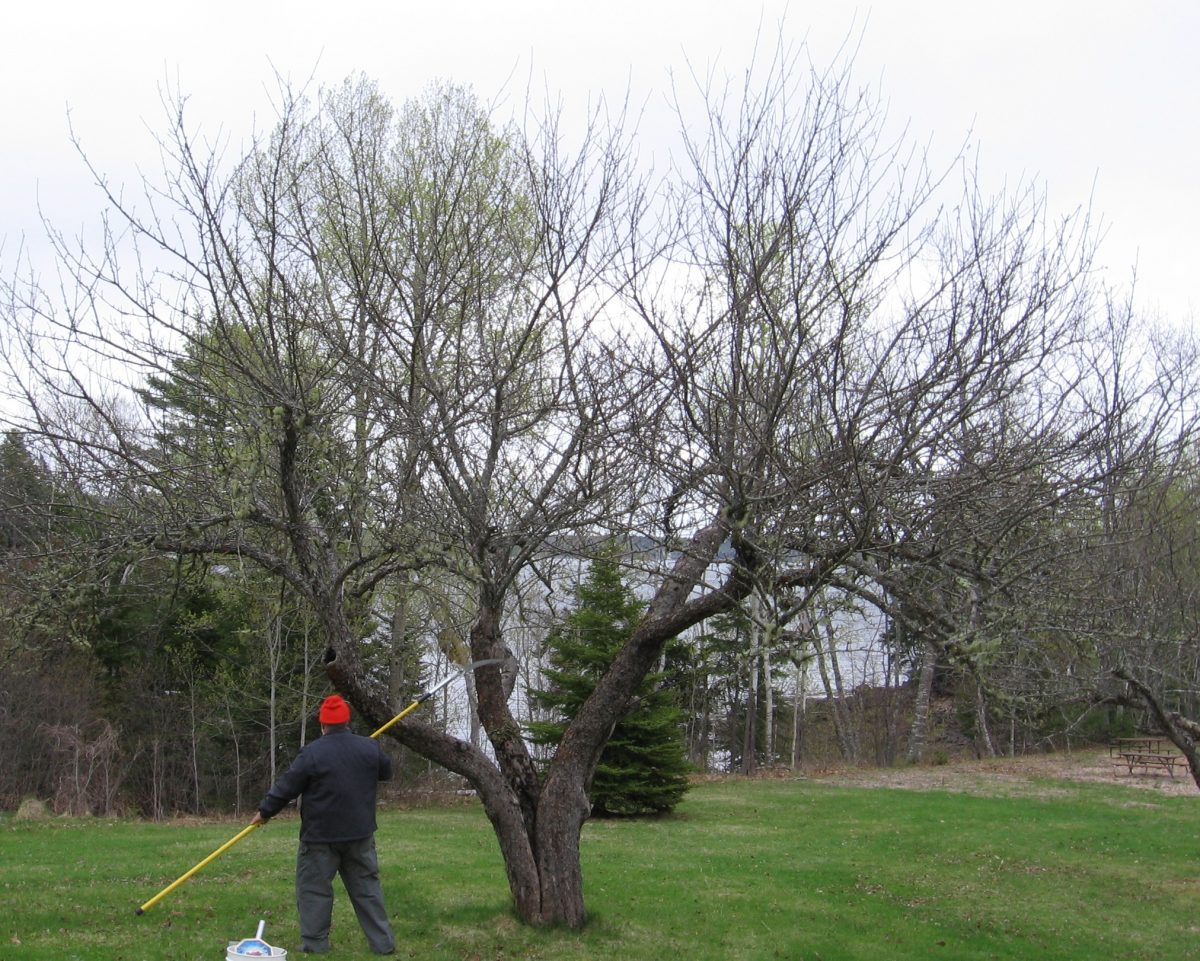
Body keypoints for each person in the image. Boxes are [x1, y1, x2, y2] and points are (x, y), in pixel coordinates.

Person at [252, 694, 396, 955]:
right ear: (347, 722)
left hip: (320, 838)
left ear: (323, 725)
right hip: (360, 835)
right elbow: (386, 772)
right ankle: (383, 944)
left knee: (314, 891)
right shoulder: (369, 747)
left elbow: (286, 787)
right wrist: (369, 752)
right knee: (367, 890)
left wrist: (265, 812)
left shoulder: (312, 754)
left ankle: (315, 945)